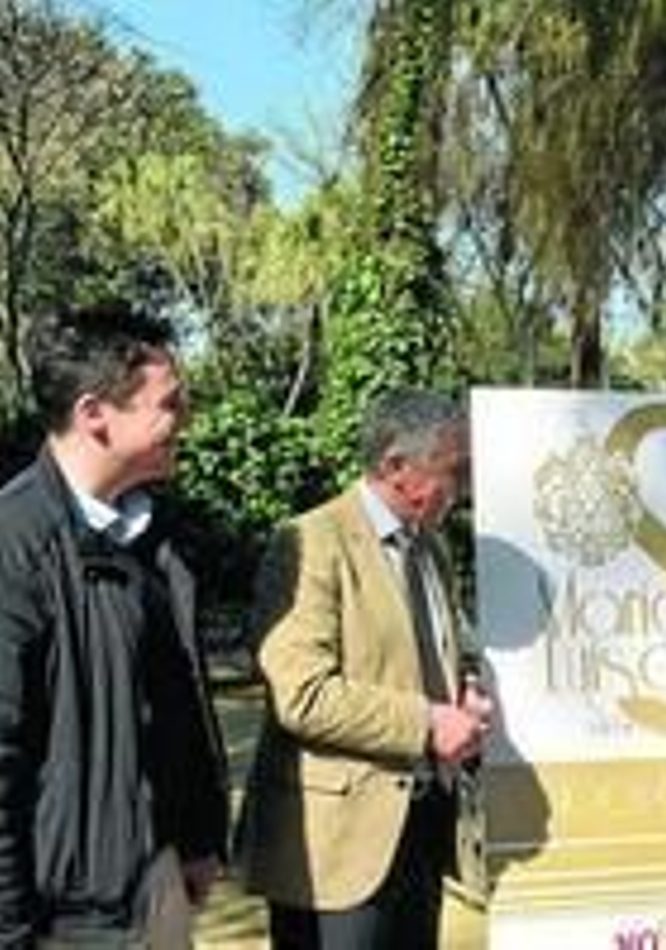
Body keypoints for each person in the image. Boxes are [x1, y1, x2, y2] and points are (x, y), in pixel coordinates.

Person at [0, 303, 230, 945]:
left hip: (154, 889)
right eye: (169, 404)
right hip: (67, 921)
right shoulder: (15, 548)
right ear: (94, 414)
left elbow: (170, 705)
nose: (184, 419)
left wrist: (196, 837)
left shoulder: (153, 539)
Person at [235, 389, 493, 949]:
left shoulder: (433, 548)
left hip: (421, 833)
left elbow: (444, 651)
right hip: (335, 851)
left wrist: (465, 692)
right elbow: (302, 695)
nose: (464, 487)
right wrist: (428, 723)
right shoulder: (308, 542)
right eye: (454, 470)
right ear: (396, 467)